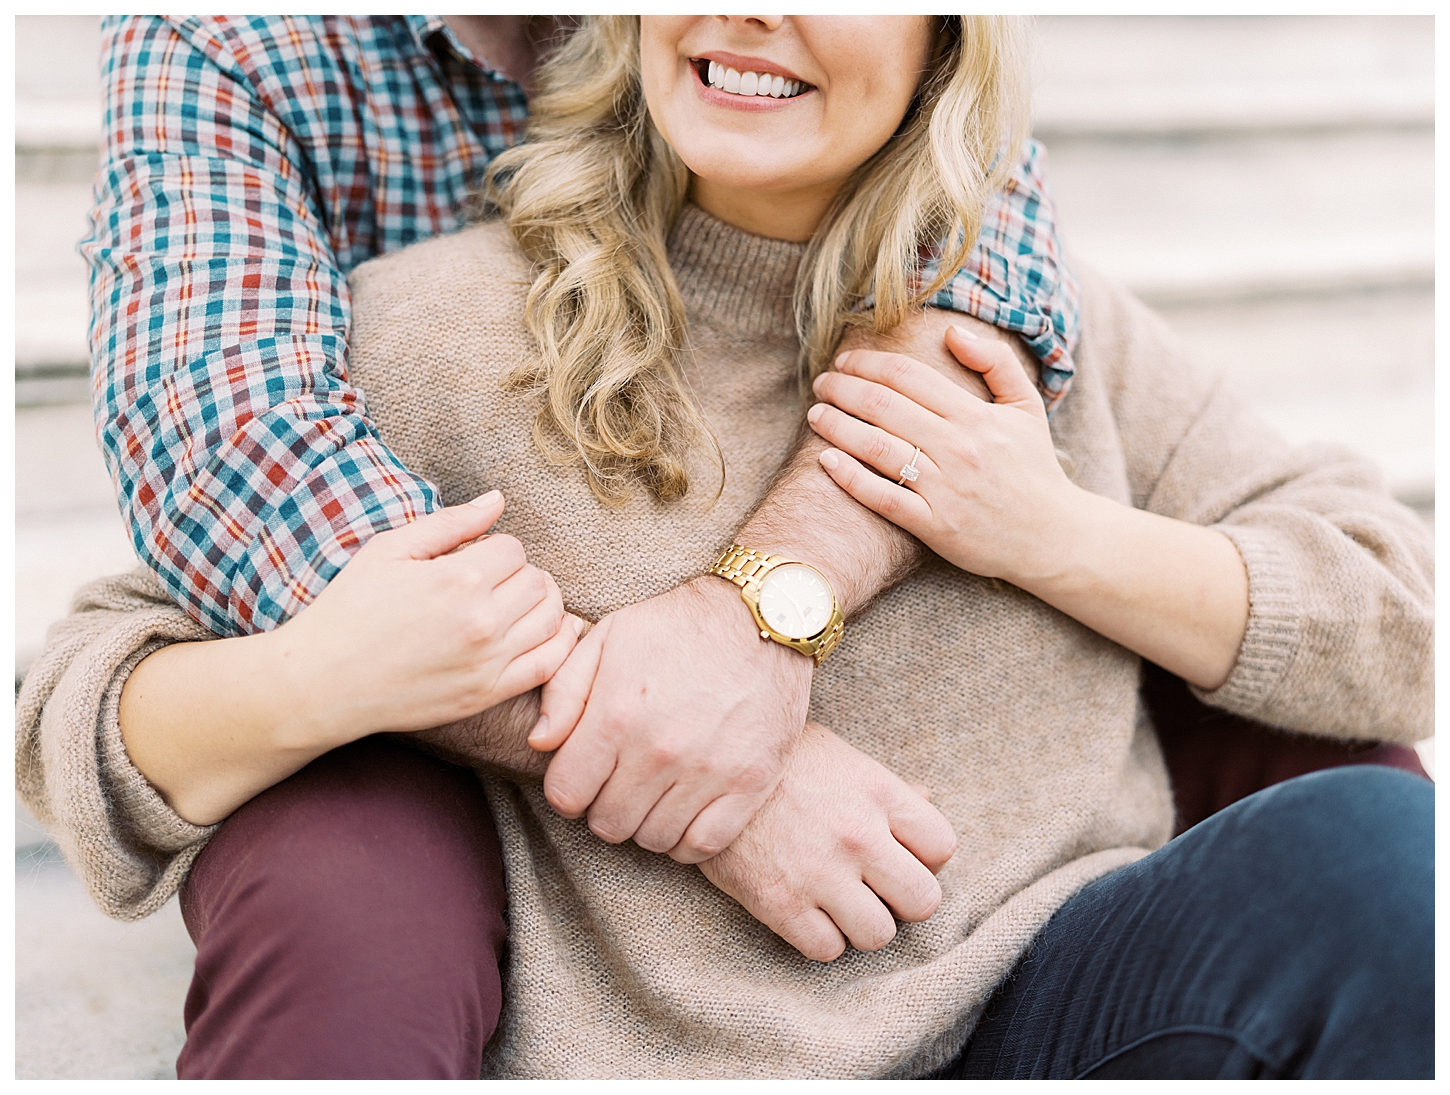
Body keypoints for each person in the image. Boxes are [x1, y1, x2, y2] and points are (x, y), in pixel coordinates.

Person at [19, 14, 1430, 1080]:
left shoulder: (1033, 340)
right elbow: (95, 676)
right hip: (661, 1058)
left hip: (1047, 1007)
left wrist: (1045, 529)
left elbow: (1396, 624)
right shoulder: (428, 337)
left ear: (946, 46)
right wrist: (670, 744)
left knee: (1370, 848)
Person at [80, 13, 1079, 864]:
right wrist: (704, 753)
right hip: (361, 704)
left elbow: (971, 251)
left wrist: (754, 618)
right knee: (329, 887)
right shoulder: (225, 36)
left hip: (648, 632)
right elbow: (244, 469)